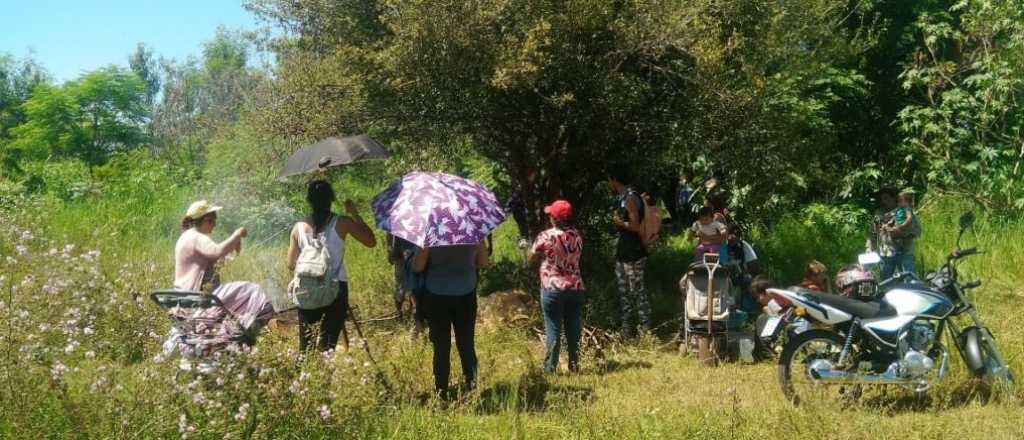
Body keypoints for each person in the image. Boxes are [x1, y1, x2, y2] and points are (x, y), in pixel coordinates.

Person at [287, 180, 377, 353]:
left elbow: (291, 265)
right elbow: (371, 241)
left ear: (309, 200)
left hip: (306, 290)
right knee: (327, 347)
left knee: (306, 348)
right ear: (331, 199)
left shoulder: (297, 228)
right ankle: (324, 375)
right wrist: (355, 214)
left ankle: (305, 377)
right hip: (336, 288)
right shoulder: (342, 222)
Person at [412, 239, 489, 398]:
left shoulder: (431, 232)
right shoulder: (473, 232)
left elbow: (417, 266)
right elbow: (483, 263)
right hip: (466, 292)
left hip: (437, 295)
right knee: (467, 344)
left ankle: (441, 393)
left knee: (441, 347)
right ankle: (472, 388)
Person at [528, 200, 585, 374]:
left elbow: (531, 258)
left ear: (555, 218)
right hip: (575, 287)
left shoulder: (546, 236)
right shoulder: (577, 236)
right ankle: (574, 365)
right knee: (573, 328)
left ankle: (550, 369)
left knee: (553, 328)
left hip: (552, 287)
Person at [608, 165, 651, 337]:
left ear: (614, 179)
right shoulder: (623, 197)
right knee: (624, 291)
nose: (608, 183)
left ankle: (645, 329)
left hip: (634, 253)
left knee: (636, 291)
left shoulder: (631, 198)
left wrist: (619, 223)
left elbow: (634, 226)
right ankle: (627, 329)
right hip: (624, 252)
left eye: (609, 180)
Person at [868, 187, 921, 280]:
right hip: (886, 253)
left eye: (886, 198)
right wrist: (870, 247)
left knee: (910, 282)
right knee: (886, 283)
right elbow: (873, 232)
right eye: (882, 199)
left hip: (905, 252)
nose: (883, 201)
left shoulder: (905, 211)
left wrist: (900, 233)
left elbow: (917, 231)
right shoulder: (879, 213)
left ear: (894, 198)